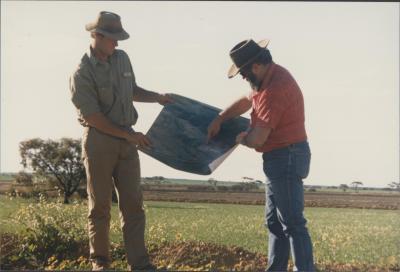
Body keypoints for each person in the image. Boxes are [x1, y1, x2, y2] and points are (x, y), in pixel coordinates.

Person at [69, 11, 172, 271]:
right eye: (113, 39)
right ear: (97, 36)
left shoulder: (122, 59)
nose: (117, 44)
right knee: (100, 206)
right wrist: (129, 136)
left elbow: (133, 91)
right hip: (99, 141)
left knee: (133, 205)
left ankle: (140, 264)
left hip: (127, 140)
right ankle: (100, 263)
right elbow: (93, 117)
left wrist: (158, 97)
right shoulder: (81, 73)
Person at [207, 39, 315, 271]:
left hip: (287, 157)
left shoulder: (275, 91)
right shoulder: (267, 79)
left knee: (292, 223)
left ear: (256, 66)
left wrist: (241, 138)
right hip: (278, 157)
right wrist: (220, 118)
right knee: (275, 222)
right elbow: (248, 99)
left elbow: (257, 138)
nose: (244, 78)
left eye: (244, 73)